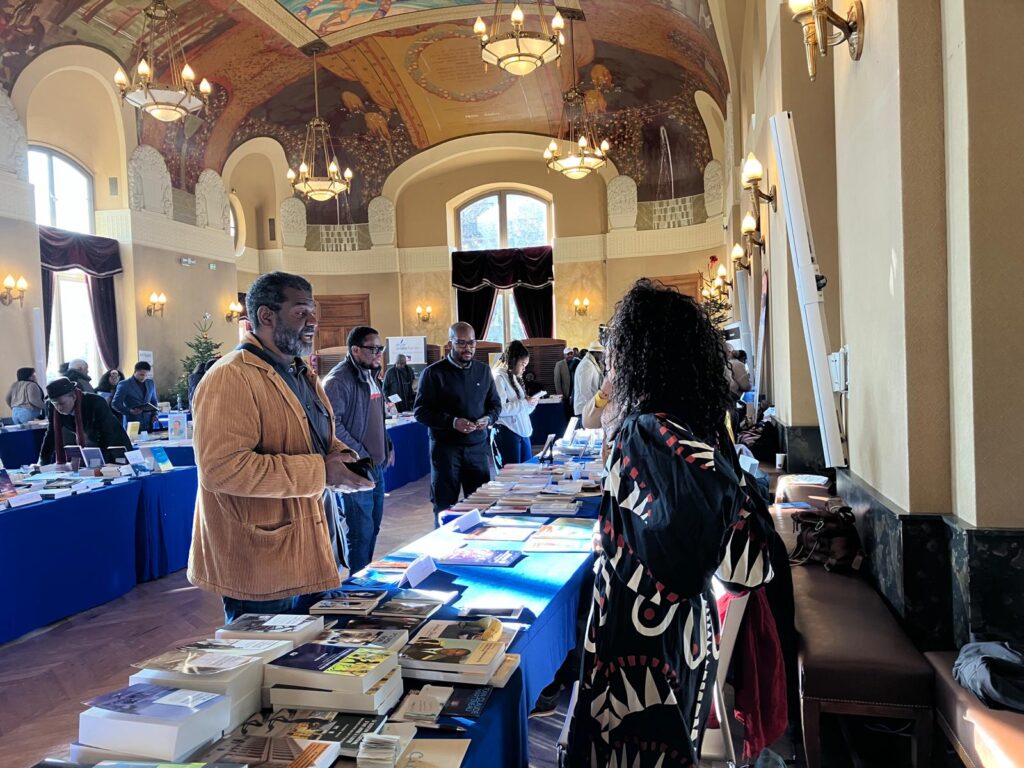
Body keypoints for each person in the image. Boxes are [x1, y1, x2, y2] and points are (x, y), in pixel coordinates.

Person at [567, 280, 774, 766]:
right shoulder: (690, 430)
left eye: (616, 353)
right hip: (678, 630)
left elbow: (739, 560)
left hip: (643, 638)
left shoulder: (648, 431)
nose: (611, 366)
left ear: (641, 356)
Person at [187, 271, 374, 622]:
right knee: (267, 672)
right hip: (260, 564)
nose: (313, 322)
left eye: (313, 312)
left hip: (312, 550)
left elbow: (315, 439)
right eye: (301, 312)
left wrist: (343, 458)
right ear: (266, 316)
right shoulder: (230, 377)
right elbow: (223, 469)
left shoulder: (301, 373)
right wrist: (322, 472)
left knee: (309, 667)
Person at [322, 326, 394, 575]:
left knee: (372, 527)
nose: (378, 354)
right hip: (356, 469)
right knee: (360, 532)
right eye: (372, 349)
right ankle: (358, 588)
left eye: (380, 349)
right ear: (355, 350)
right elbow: (332, 425)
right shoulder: (338, 380)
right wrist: (360, 453)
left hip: (375, 467)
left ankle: (366, 580)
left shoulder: (371, 375)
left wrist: (387, 444)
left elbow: (376, 418)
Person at [414, 322, 501, 518]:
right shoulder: (433, 373)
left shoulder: (484, 371)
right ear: (450, 343)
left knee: (481, 504)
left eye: (471, 343)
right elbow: (420, 411)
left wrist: (488, 419)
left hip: (477, 449)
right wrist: (453, 422)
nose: (467, 348)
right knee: (444, 506)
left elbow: (495, 406)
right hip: (446, 451)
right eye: (461, 343)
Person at [38, 377, 133, 464]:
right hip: (90, 444)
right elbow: (51, 434)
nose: (59, 408)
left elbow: (107, 433)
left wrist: (98, 461)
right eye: (55, 404)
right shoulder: (52, 407)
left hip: (115, 444)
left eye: (62, 403)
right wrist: (43, 461)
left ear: (74, 397)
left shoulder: (95, 402)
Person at [491, 340, 539, 466]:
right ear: (513, 360)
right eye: (523, 364)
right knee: (512, 476)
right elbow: (499, 410)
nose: (524, 368)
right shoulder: (498, 377)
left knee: (527, 473)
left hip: (521, 432)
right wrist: (524, 403)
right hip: (507, 432)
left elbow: (521, 409)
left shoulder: (513, 377)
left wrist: (530, 404)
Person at [112, 361, 159, 432]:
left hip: (149, 422)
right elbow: (115, 404)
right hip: (132, 422)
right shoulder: (124, 384)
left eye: (146, 375)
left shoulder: (150, 383)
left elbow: (154, 401)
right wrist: (130, 411)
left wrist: (155, 414)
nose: (144, 377)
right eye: (141, 375)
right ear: (135, 372)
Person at [572, 341, 604, 417]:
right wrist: (593, 407)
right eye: (601, 353)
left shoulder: (591, 363)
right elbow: (585, 390)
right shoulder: (587, 365)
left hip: (588, 408)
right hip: (585, 409)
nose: (602, 356)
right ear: (596, 353)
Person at [553, 347, 576, 419]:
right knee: (566, 413)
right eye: (568, 354)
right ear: (564, 355)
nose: (570, 355)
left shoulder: (576, 362)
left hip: (574, 392)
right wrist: (560, 393)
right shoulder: (559, 364)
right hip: (565, 393)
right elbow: (557, 380)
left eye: (571, 353)